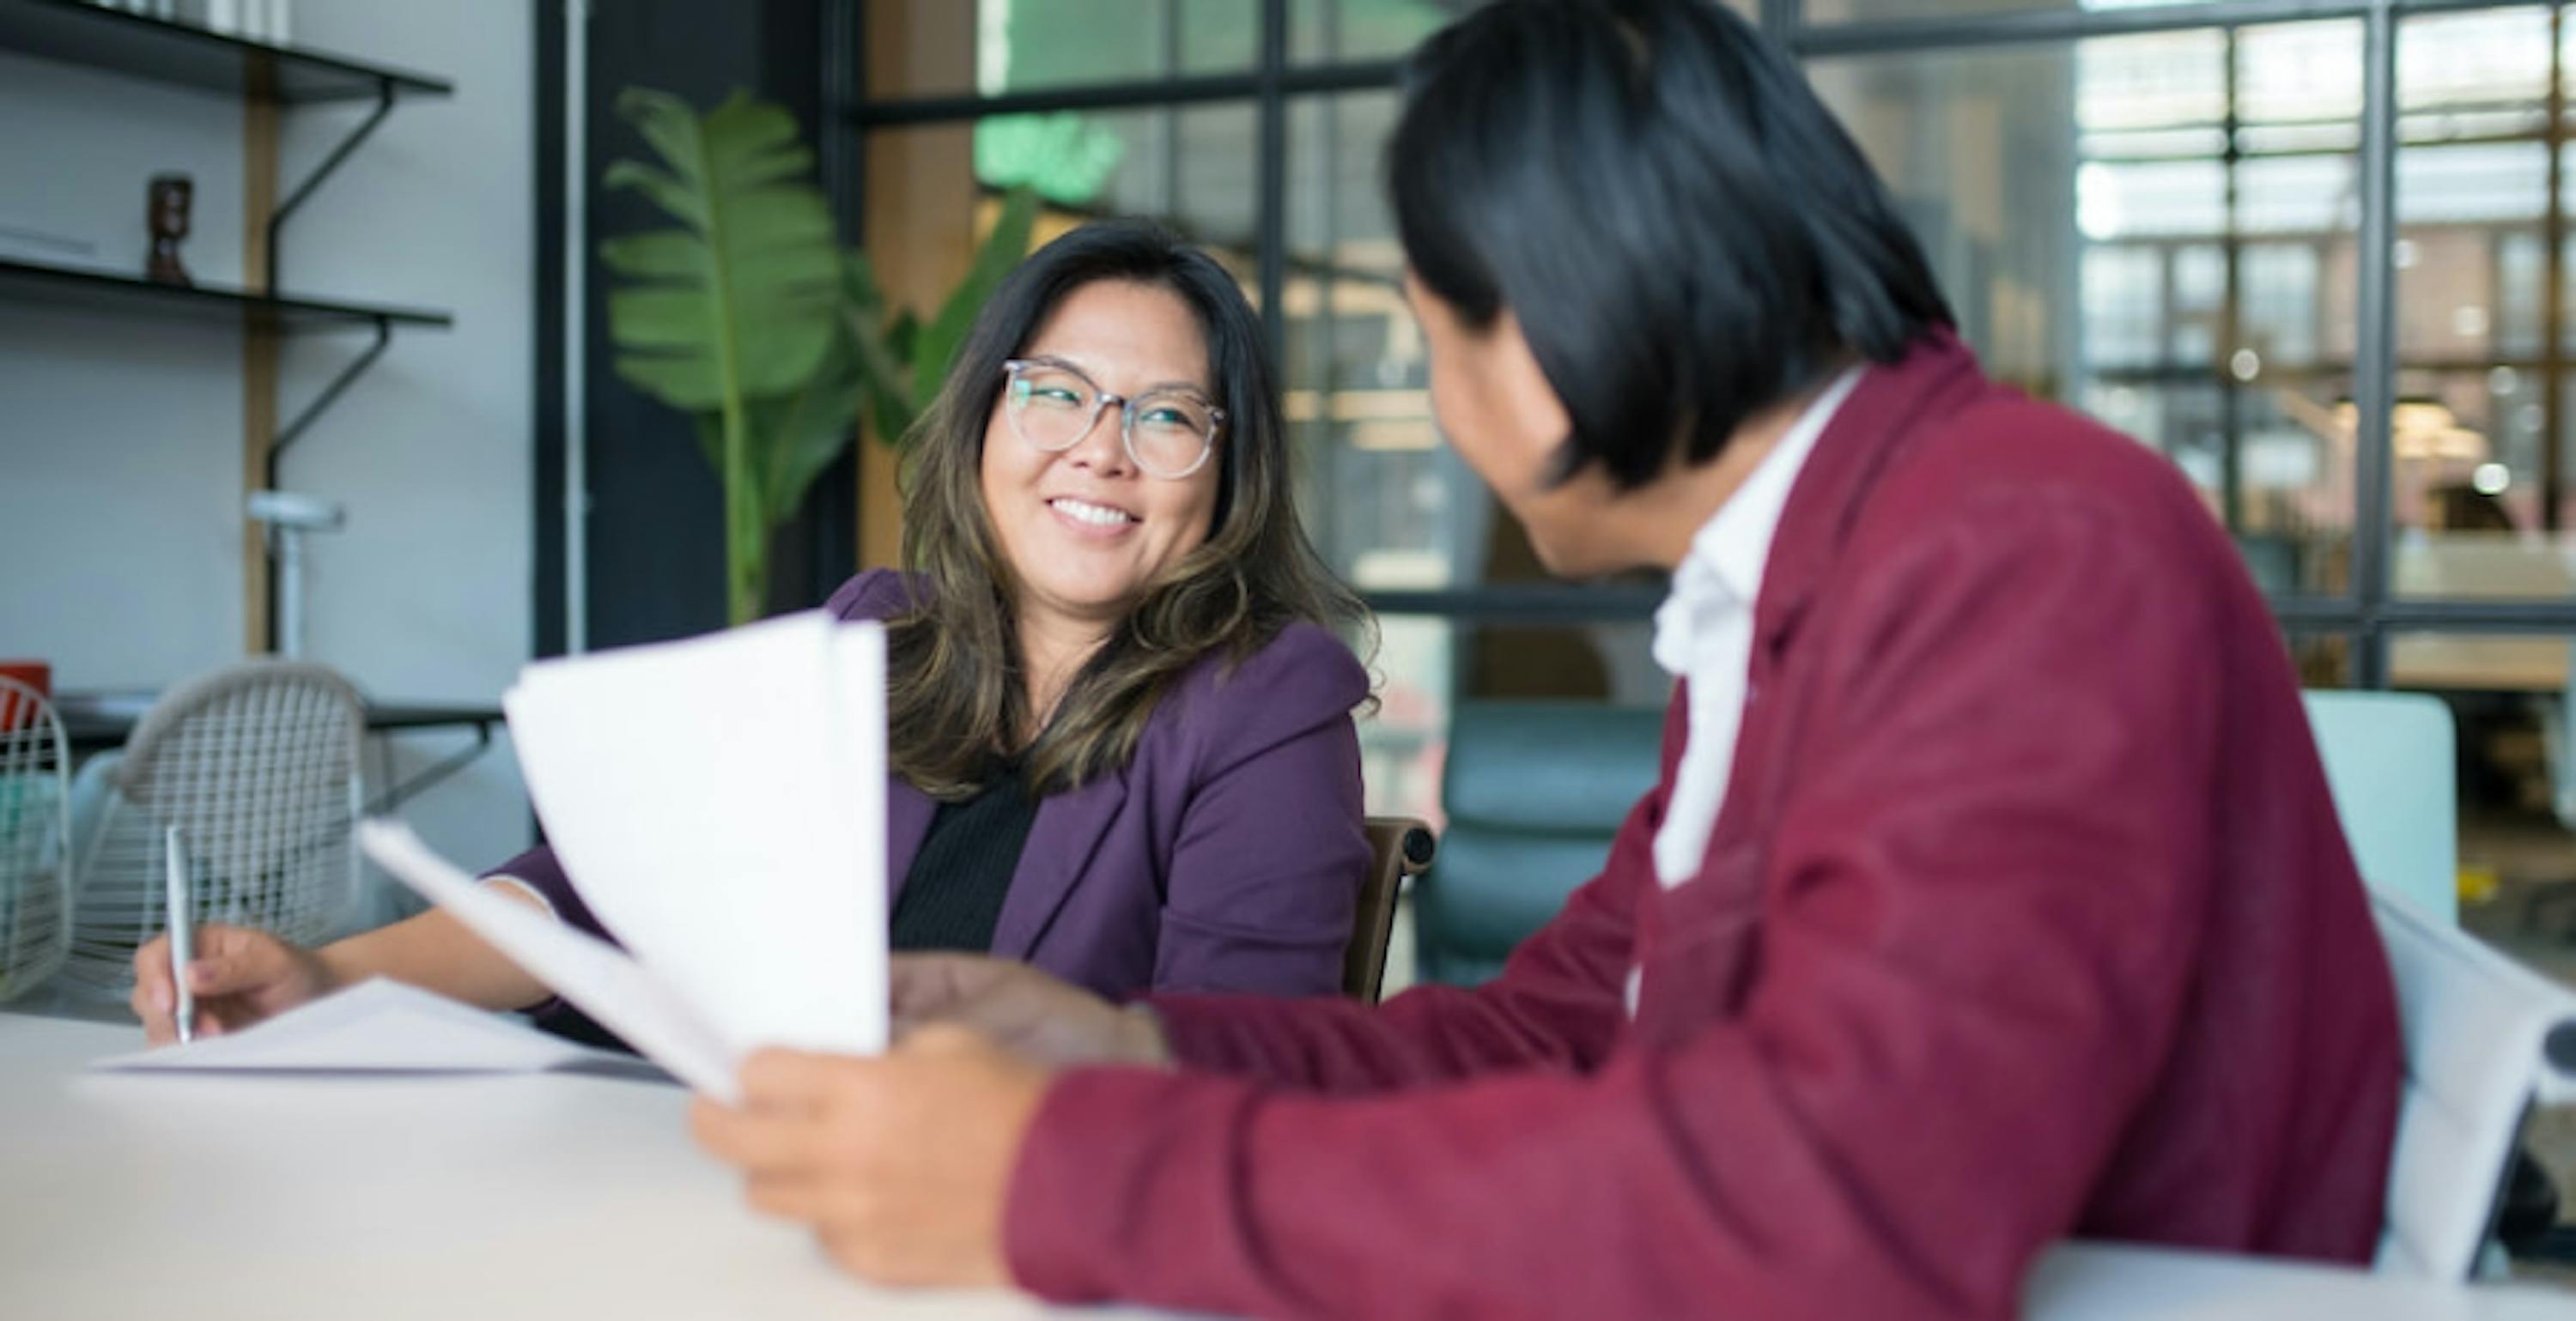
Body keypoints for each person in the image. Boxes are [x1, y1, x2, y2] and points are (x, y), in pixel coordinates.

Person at [683, 3, 2403, 1318]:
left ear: (1562, 330)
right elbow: (1558, 1032)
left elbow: (1836, 1209)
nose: (1443, 406)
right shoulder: (1814, 575)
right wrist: (1125, 1049)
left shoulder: (2024, 549)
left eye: (1436, 341)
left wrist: (1064, 1170)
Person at [131, 221, 1376, 1042]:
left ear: (1225, 473)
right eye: (1055, 393)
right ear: (985, 419)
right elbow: (601, 893)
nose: (1099, 447)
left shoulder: (1267, 699)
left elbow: (1237, 1054)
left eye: (1166, 417)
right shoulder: (877, 638)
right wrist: (333, 984)